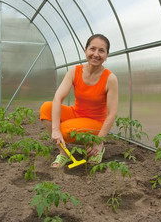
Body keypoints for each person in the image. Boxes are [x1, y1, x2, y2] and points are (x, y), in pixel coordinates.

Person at [40, 34, 118, 168]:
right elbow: (58, 98)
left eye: (101, 51)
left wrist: (99, 140)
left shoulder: (110, 79)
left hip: (96, 123)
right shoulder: (75, 71)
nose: (96, 54)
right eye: (92, 49)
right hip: (76, 113)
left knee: (65, 130)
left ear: (106, 55)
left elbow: (111, 114)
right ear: (85, 50)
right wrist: (55, 130)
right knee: (46, 108)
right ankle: (63, 153)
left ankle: (97, 146)